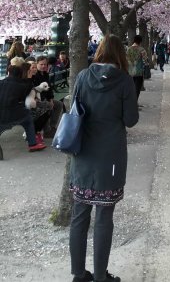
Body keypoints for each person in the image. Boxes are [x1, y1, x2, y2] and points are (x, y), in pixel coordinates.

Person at [69, 34, 139, 282]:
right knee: (104, 216)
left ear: (99, 51)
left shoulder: (83, 77)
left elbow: (74, 110)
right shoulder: (124, 82)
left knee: (80, 213)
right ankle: (100, 276)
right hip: (110, 156)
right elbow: (131, 120)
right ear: (120, 54)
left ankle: (79, 273)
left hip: (84, 154)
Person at [0, 62, 46, 152]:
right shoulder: (23, 85)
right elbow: (24, 98)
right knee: (27, 118)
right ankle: (32, 144)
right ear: (20, 74)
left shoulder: (1, 82)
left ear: (9, 73)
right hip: (12, 114)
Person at [126, 36, 146, 101]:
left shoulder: (129, 49)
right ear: (140, 41)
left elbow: (126, 59)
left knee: (131, 87)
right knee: (137, 88)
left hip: (130, 71)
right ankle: (135, 102)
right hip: (139, 71)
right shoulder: (141, 49)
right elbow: (145, 60)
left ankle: (131, 101)